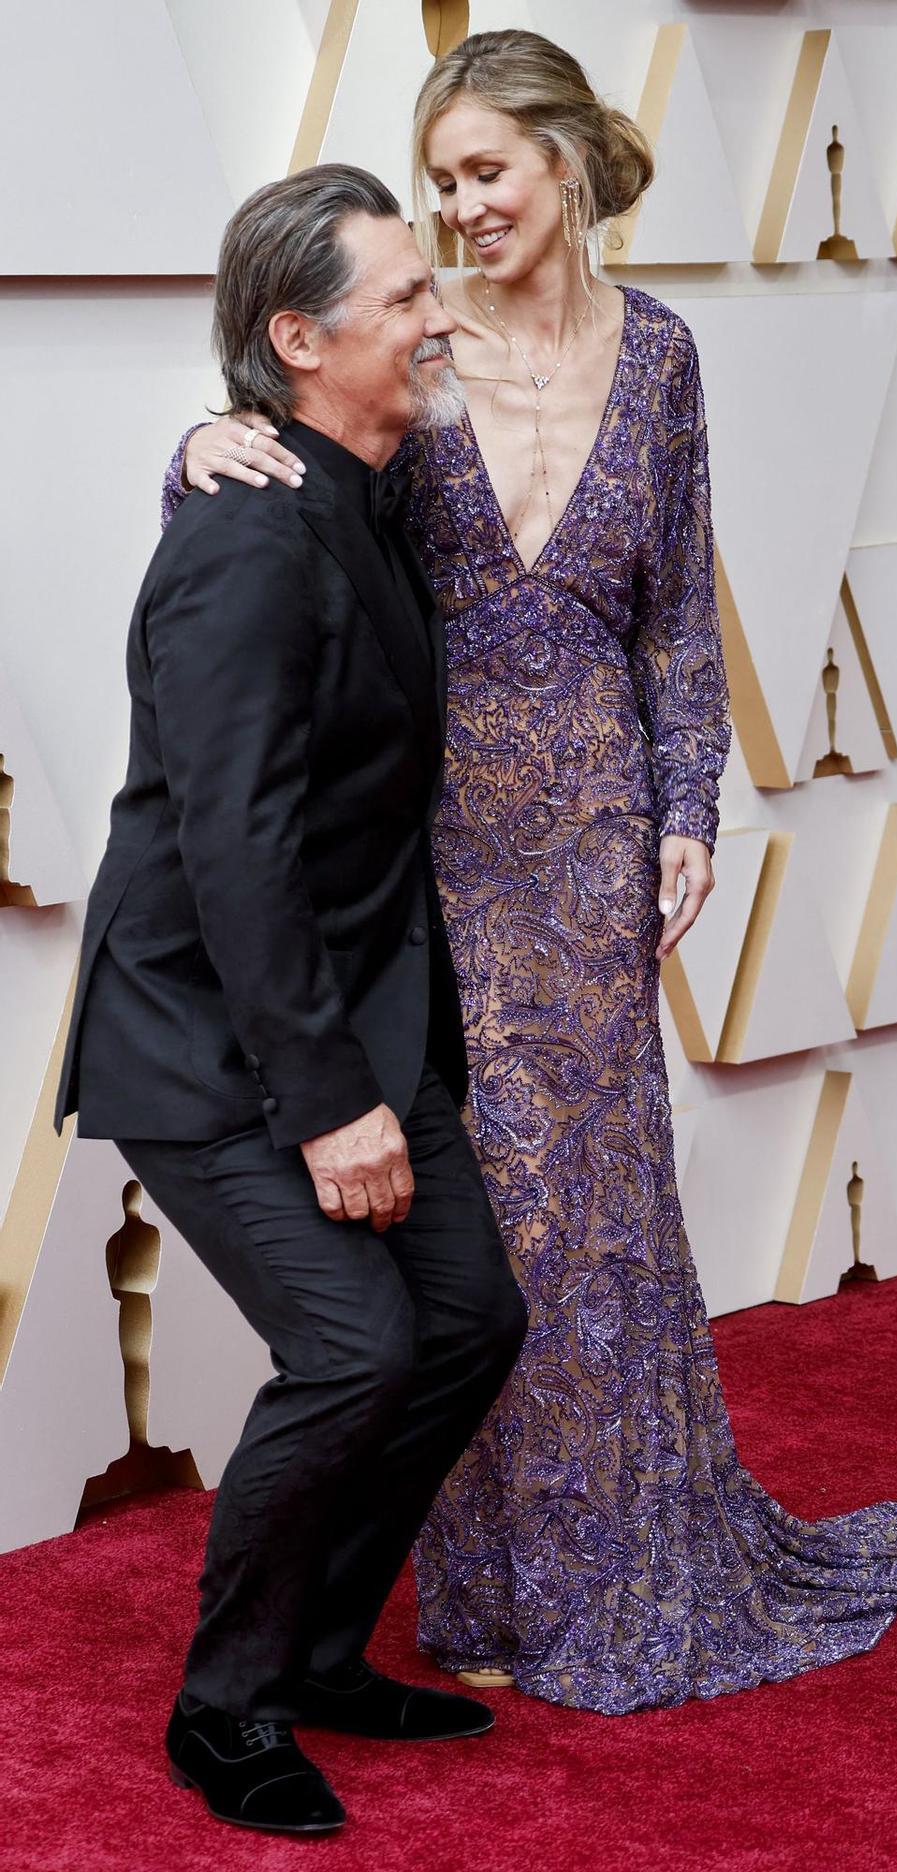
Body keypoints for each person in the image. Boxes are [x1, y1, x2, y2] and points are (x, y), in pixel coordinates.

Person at [164, 31, 897, 1717]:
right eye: (439, 182)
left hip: (587, 839)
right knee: (482, 1227)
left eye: (485, 172)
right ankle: (488, 1586)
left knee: (599, 1219)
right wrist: (200, 444)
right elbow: (298, 451)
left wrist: (689, 807)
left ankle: (628, 1560)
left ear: (565, 164)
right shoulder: (415, 354)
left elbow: (674, 612)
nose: (458, 208)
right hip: (426, 854)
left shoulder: (659, 358)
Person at [58, 163, 528, 1834]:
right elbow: (235, 848)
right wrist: (332, 1103)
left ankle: (322, 1650)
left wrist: (197, 439)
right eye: (402, 298)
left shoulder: (357, 483)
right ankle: (226, 1707)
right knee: (354, 1347)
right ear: (298, 338)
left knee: (472, 1322)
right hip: (207, 1033)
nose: (435, 318)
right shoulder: (250, 536)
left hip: (362, 1007)